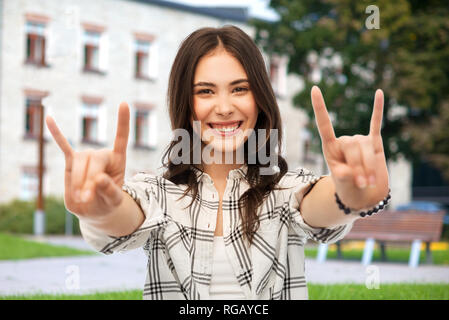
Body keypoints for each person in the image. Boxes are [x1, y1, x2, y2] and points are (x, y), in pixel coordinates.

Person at [45, 25, 390, 300]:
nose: (224, 107)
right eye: (206, 91)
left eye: (239, 89)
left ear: (260, 98)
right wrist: (100, 211)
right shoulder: (158, 191)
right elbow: (126, 217)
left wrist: (349, 195)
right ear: (186, 101)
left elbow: (318, 202)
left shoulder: (285, 185)